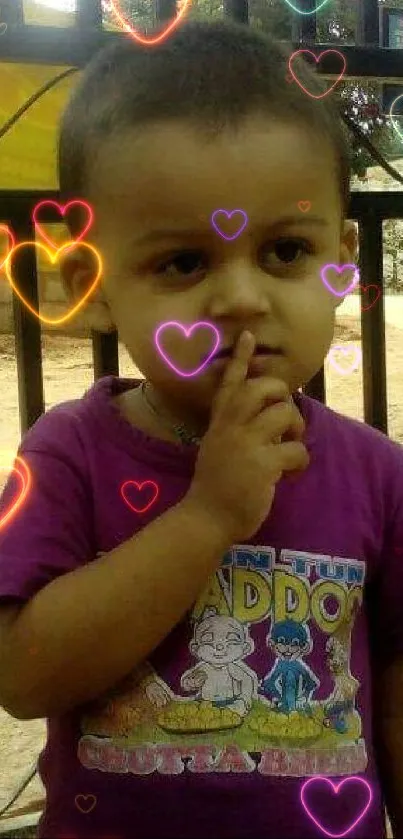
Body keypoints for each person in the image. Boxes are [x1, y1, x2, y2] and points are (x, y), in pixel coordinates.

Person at [0, 17, 402, 839]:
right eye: (183, 262)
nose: (243, 300)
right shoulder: (67, 454)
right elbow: (20, 675)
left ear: (342, 261)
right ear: (93, 282)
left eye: (286, 250)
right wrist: (207, 516)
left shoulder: (377, 474)